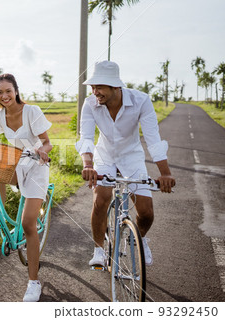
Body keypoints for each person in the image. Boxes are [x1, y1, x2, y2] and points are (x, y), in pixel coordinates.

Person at [75, 61, 175, 267]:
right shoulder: (90, 103)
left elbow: (153, 139)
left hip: (132, 155)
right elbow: (85, 137)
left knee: (146, 212)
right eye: (93, 87)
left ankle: (140, 238)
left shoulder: (141, 101)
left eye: (99, 87)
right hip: (104, 154)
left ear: (115, 87)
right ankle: (99, 250)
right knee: (101, 198)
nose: (95, 92)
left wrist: (165, 173)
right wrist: (88, 164)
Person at [0, 73, 52, 302]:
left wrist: (42, 150)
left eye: (8, 91)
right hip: (16, 165)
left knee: (27, 224)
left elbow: (47, 141)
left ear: (16, 91)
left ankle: (33, 281)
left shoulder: (32, 111)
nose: (4, 96)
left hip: (35, 166)